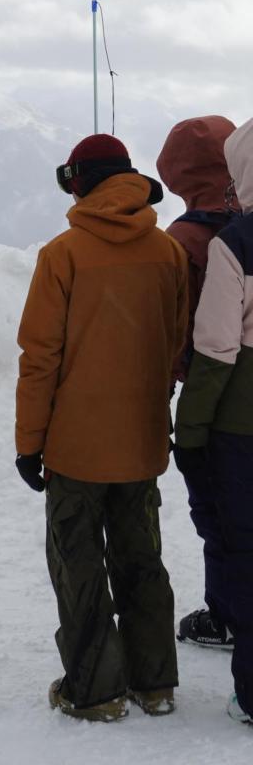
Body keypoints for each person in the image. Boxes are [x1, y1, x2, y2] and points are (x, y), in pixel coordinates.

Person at [15, 134, 187, 722]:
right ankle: (154, 681)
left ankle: (96, 691)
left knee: (78, 560)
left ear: (79, 182)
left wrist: (28, 443)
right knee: (142, 556)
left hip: (75, 447)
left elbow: (40, 359)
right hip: (141, 438)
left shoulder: (62, 254)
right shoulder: (167, 252)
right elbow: (174, 343)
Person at [174, 117, 253, 726]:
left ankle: (243, 663)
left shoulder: (227, 241)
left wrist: (191, 426)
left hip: (235, 418)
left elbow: (214, 344)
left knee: (233, 533)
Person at [157, 116, 238, 649]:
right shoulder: (249, 220)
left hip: (212, 401)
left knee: (217, 513)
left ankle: (227, 614)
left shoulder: (181, 241)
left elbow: (166, 332)